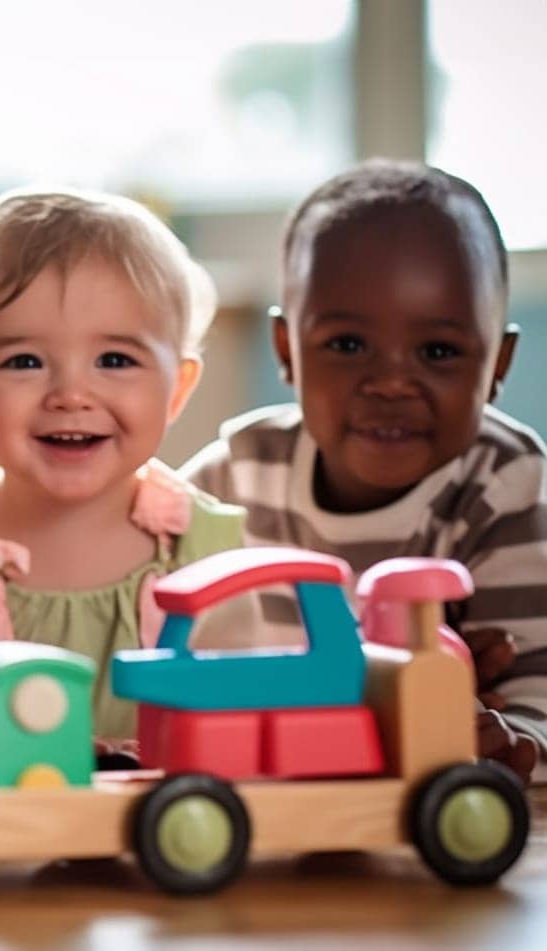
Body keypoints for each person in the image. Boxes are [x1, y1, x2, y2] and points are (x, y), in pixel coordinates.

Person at [181, 160, 543, 783]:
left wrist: (508, 743)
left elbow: (537, 694)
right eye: (347, 345)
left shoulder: (502, 486)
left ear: (498, 365)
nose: (391, 383)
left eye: (439, 352)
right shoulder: (238, 475)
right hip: (274, 791)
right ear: (287, 352)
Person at [0, 186, 245, 742]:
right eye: (24, 361)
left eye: (114, 360)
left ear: (177, 389)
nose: (71, 394)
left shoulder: (211, 552)